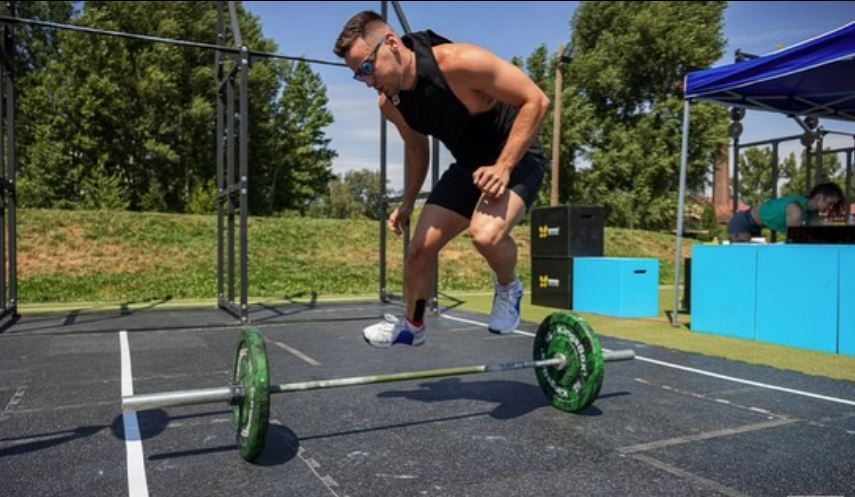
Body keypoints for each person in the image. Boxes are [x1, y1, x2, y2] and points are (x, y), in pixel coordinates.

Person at [333, 11, 550, 347]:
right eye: (358, 76)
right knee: (419, 250)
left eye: (367, 68)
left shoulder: (459, 64)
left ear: (391, 43)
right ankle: (413, 324)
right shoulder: (391, 103)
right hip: (469, 166)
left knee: (485, 235)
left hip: (516, 157)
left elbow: (536, 100)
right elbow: (417, 149)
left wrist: (504, 166)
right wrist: (407, 203)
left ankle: (509, 287)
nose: (367, 80)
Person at [727, 182, 847, 242]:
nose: (831, 207)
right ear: (820, 197)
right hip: (742, 223)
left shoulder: (812, 213)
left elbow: (819, 233)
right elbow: (795, 239)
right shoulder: (796, 209)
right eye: (830, 203)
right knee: (745, 258)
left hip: (756, 226)